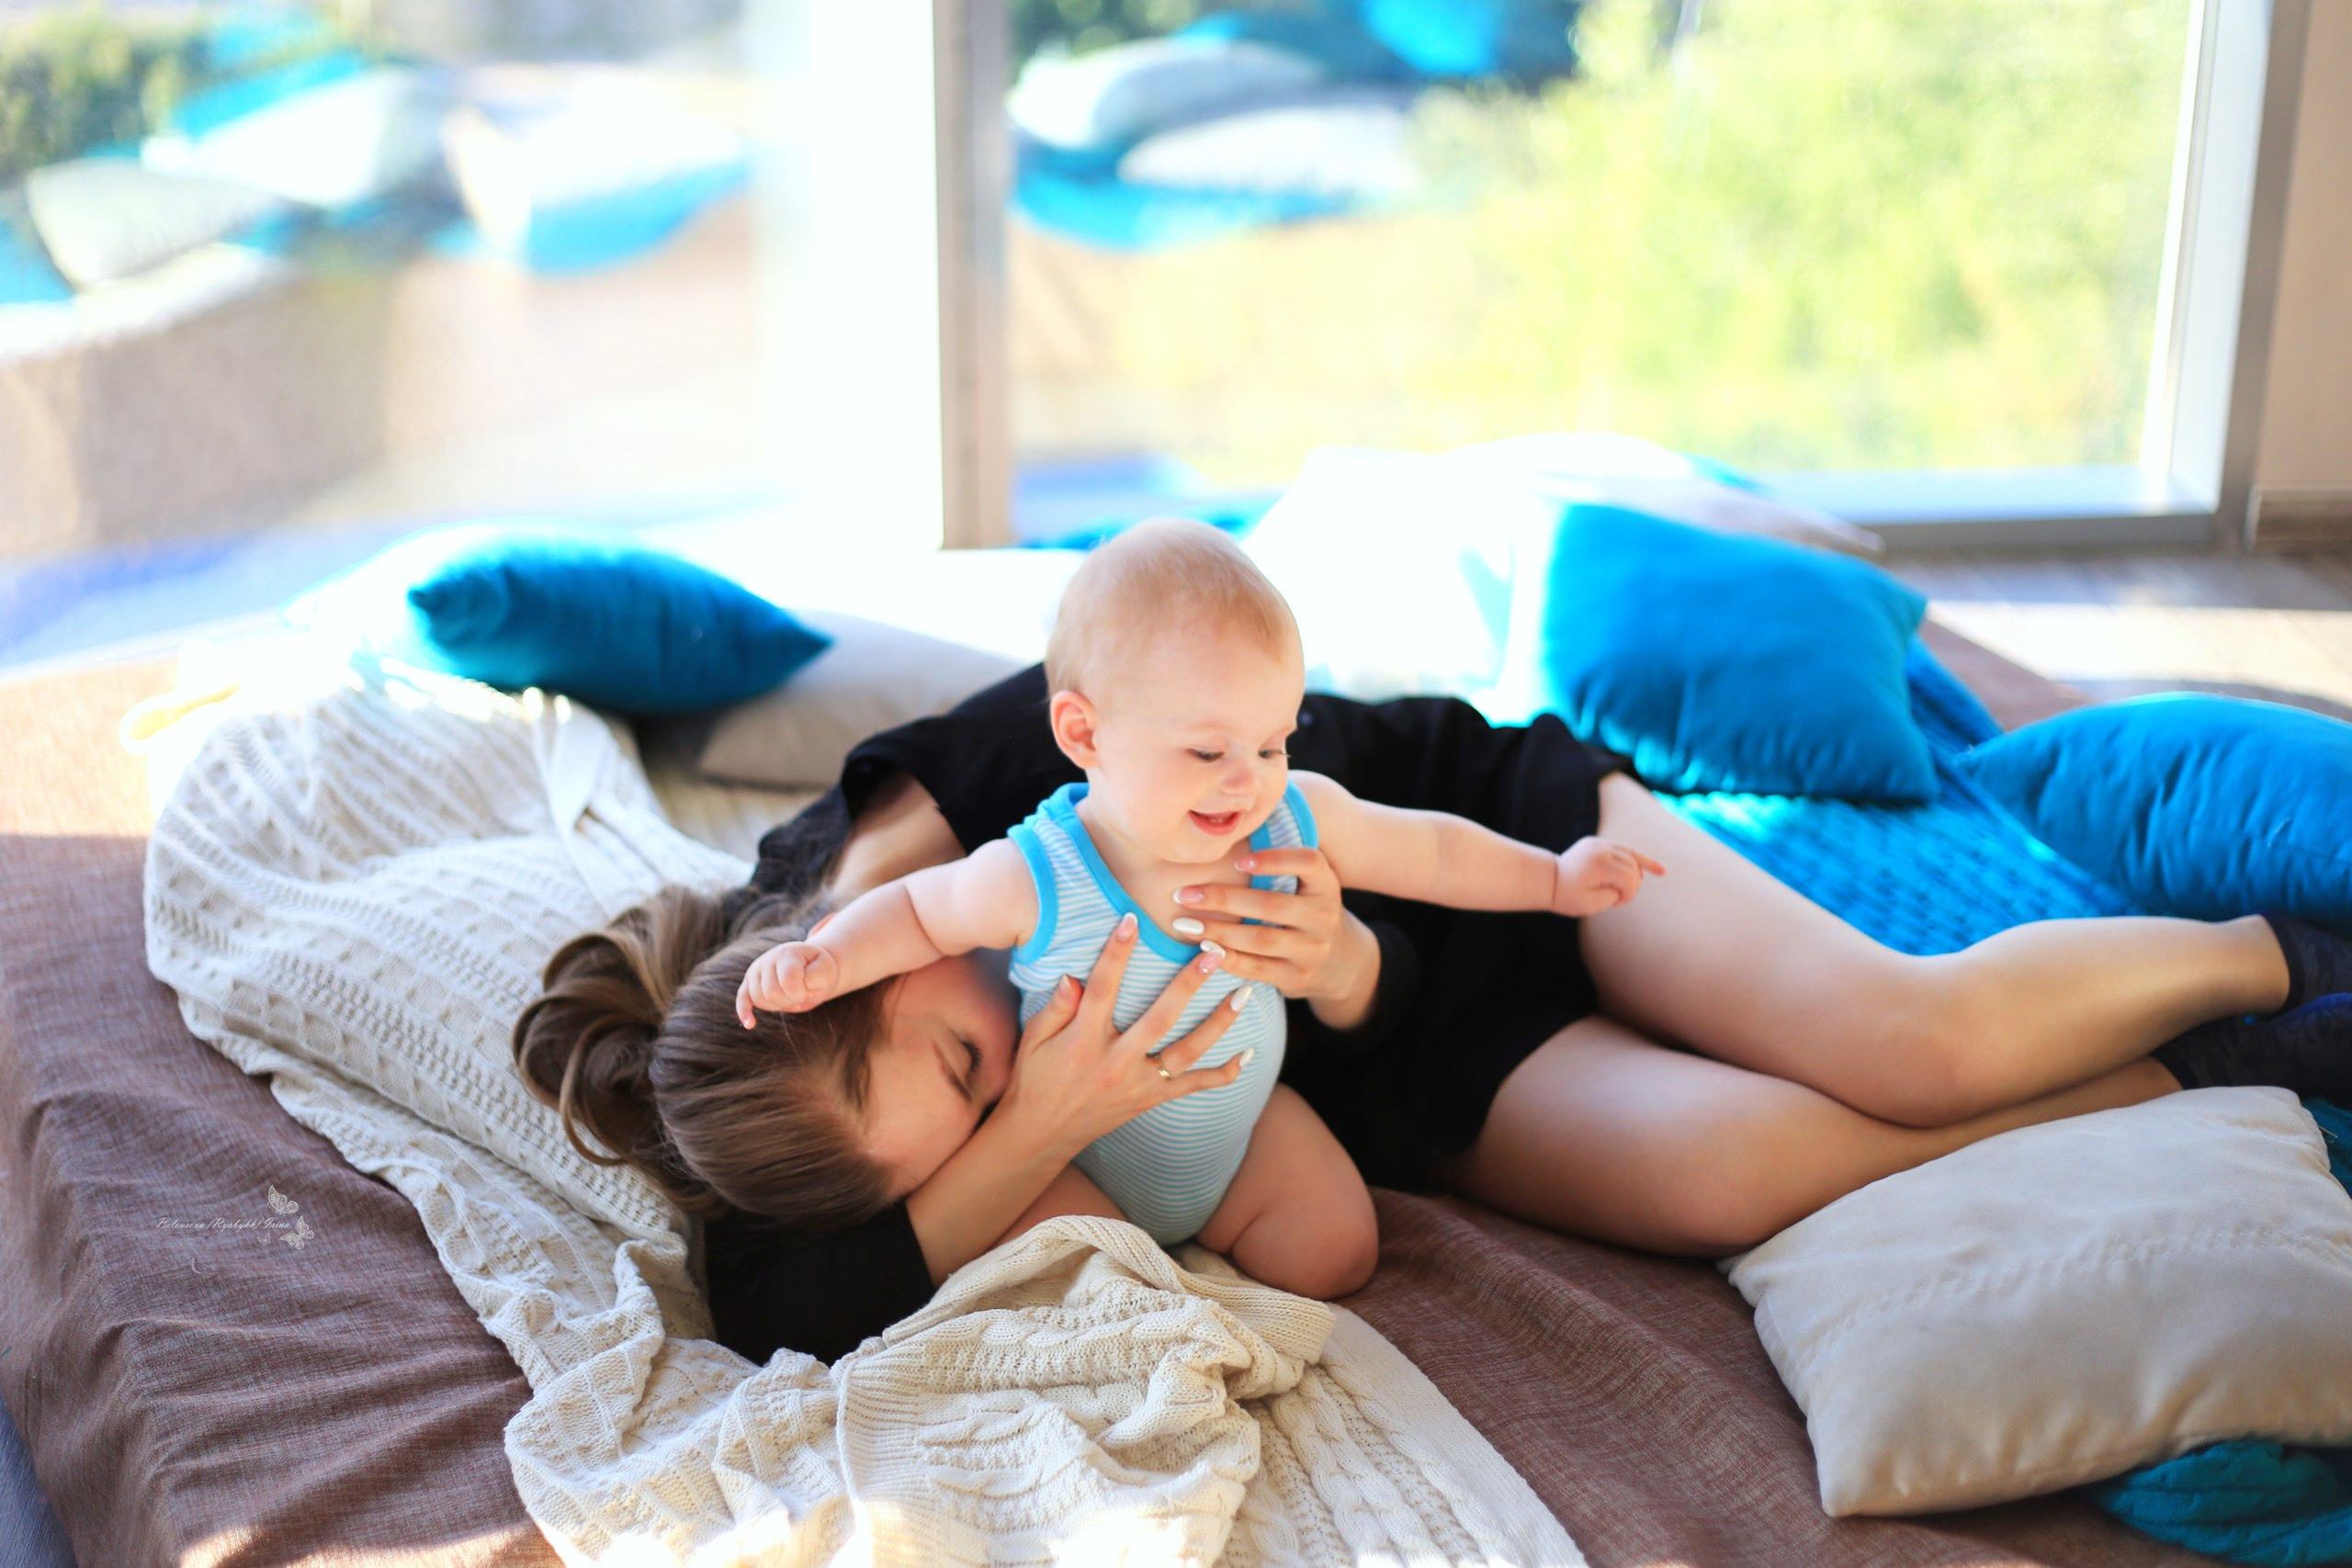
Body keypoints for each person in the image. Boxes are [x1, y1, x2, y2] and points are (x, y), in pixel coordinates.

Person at [513, 569, 2352, 1366]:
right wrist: (1061, 1111)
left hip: (1462, 850)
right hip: (1380, 1061)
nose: (1023, 1034)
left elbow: (1306, 760)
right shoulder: (785, 1123)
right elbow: (782, 1298)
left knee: (1905, 1038)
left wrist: (1345, 948)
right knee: (1732, 1166)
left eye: (972, 1050)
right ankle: (2235, 1068)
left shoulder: (993, 802)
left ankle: (2265, 947)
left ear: (835, 960)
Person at [728, 522, 1665, 1289]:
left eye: (1272, 743)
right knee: (1082, 1277)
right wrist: (831, 959)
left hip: (1244, 1124)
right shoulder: (1038, 872)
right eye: (1208, 753)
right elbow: (920, 914)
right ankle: (1159, 1290)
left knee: (1335, 1253)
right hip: (1085, 1162)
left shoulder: (1288, 818)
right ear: (1083, 733)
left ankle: (1220, 1234)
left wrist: (1550, 877)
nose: (1247, 783)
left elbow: (1424, 848)